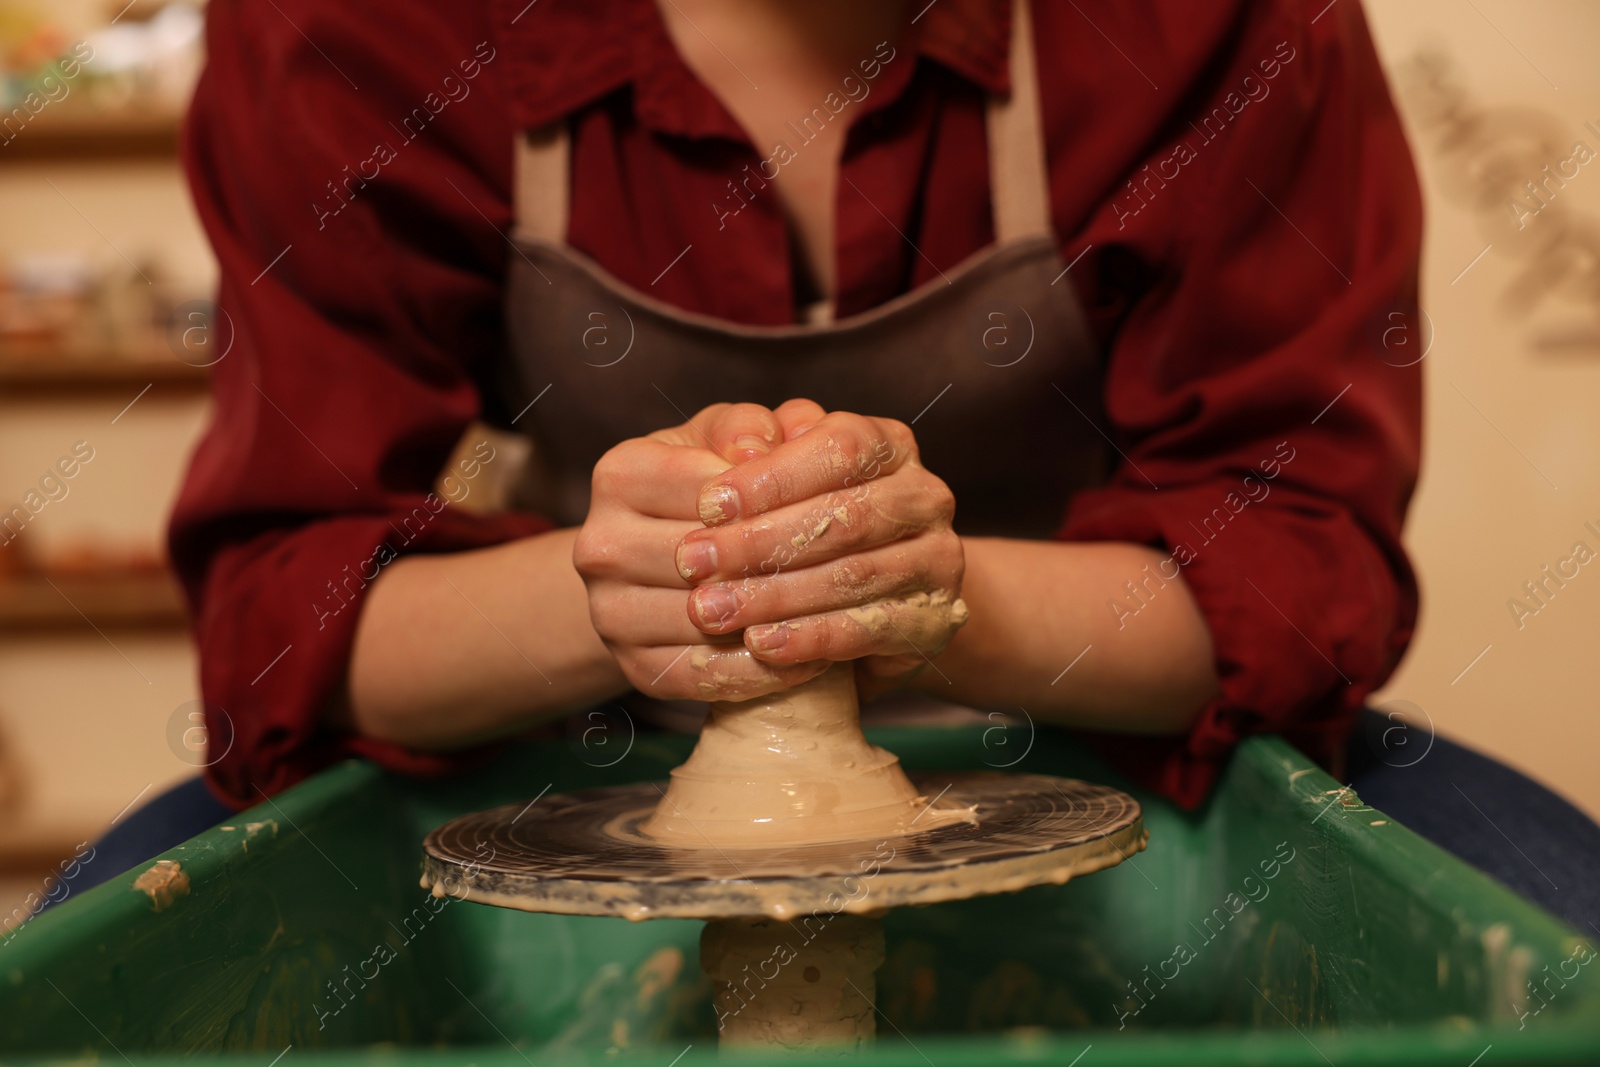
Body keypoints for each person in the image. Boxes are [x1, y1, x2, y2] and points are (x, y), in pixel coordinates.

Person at [111, 0, 1591, 929]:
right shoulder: (361, 26)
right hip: (570, 710)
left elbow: (1297, 558)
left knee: (1552, 928)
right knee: (102, 962)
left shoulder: (1223, 21)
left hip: (1112, 711)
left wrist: (921, 594)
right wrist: (634, 599)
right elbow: (282, 613)